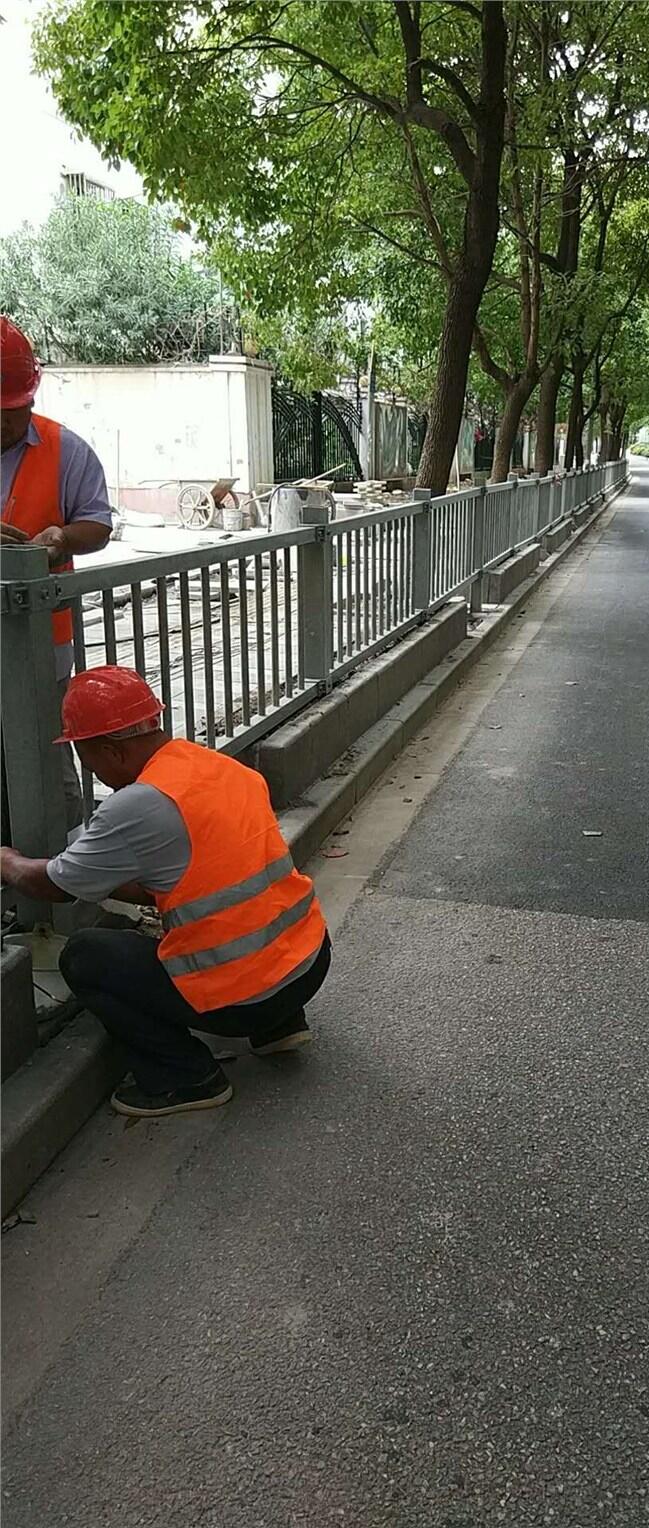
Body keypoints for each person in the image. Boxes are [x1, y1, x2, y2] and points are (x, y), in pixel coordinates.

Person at [0, 666, 331, 1119]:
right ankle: (279, 1028)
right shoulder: (216, 767)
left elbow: (53, 885)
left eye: (86, 757)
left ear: (110, 750)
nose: (90, 770)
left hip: (243, 998)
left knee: (84, 956)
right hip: (309, 963)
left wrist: (8, 862)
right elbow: (208, 879)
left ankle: (185, 1077)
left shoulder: (136, 804)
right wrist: (105, 876)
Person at [1, 316, 112, 830]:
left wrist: (61, 538)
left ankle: (59, 872)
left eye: (13, 411)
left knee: (45, 751)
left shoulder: (67, 450)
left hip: (42, 637)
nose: (5, 423)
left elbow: (97, 523)